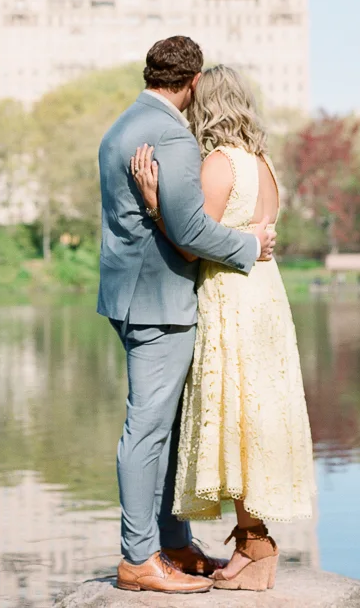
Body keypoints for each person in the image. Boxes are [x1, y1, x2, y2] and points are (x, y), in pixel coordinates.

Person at [98, 37, 276, 595]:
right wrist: (251, 244)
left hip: (130, 294)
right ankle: (138, 557)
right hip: (160, 302)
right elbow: (193, 231)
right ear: (194, 81)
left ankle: (173, 543)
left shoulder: (122, 125)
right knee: (149, 430)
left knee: (171, 429)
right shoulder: (172, 135)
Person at [131, 65, 316, 592]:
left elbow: (193, 243)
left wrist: (153, 201)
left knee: (235, 414)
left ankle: (256, 545)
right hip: (266, 295)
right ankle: (252, 544)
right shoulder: (264, 164)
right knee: (255, 414)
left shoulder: (219, 163)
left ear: (205, 105)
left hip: (230, 297)